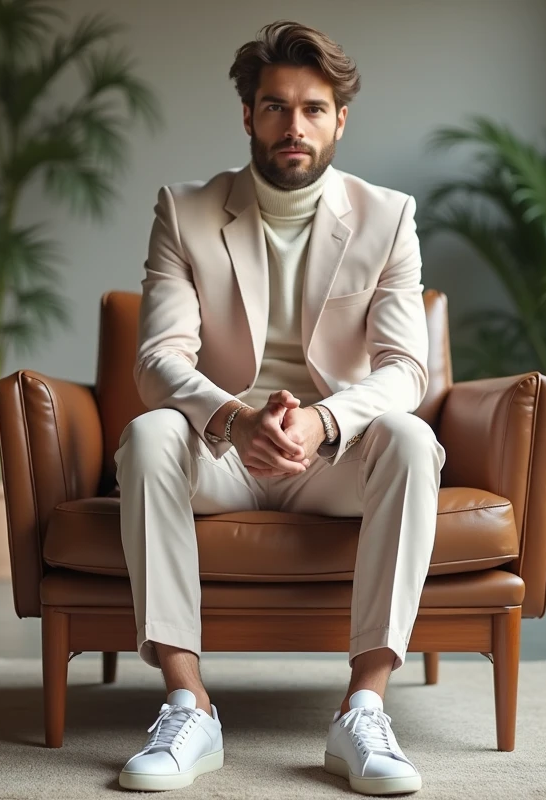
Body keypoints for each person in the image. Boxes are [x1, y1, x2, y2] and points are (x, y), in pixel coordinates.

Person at [114, 20, 443, 795]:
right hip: (222, 452)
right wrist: (234, 420)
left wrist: (324, 422)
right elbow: (159, 360)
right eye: (275, 107)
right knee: (150, 433)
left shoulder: (387, 216)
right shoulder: (185, 210)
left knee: (408, 438)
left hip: (332, 457)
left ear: (339, 119)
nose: (293, 125)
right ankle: (188, 706)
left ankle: (363, 709)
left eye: (313, 108)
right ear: (248, 116)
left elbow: (406, 369)